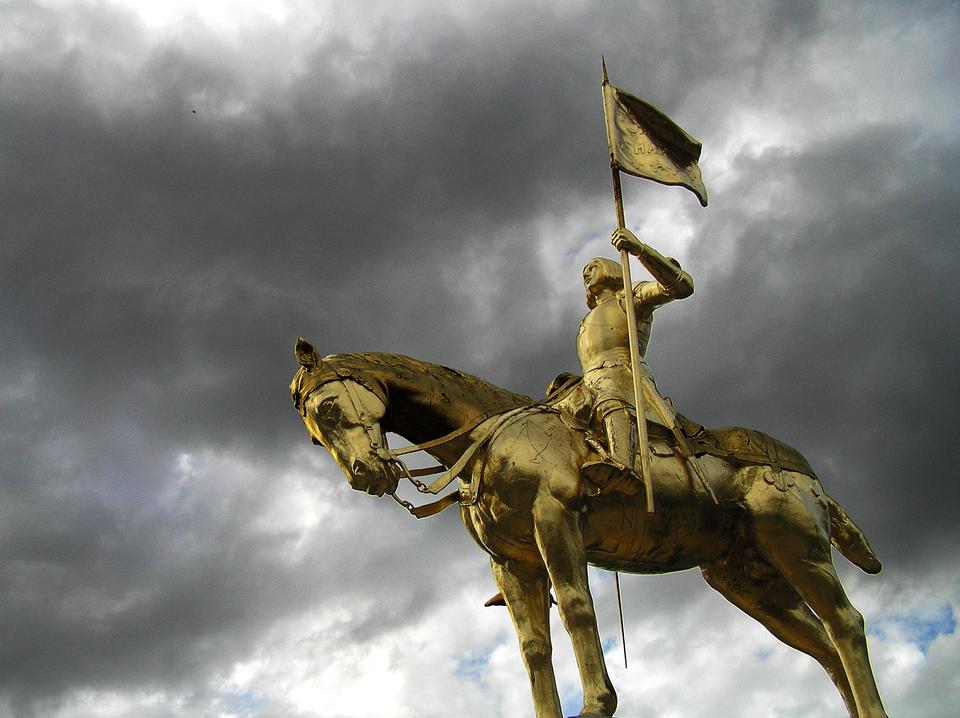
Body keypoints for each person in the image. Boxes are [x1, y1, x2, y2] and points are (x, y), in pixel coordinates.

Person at [578, 227, 693, 491]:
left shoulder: (628, 298)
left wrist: (639, 249)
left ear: (611, 270)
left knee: (611, 397)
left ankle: (623, 466)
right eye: (584, 271)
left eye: (592, 266)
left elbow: (679, 287)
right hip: (589, 380)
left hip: (623, 374)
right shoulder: (588, 319)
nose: (585, 273)